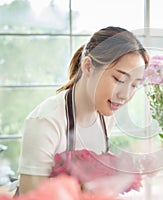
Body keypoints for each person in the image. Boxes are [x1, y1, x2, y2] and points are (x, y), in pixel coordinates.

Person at [17, 26, 149, 194]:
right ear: (88, 66)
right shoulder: (45, 121)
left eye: (134, 85)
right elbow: (31, 196)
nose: (125, 95)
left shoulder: (105, 116)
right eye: (120, 79)